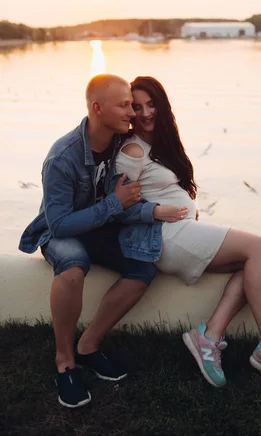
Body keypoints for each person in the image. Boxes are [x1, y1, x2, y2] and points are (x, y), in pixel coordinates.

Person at [115, 76, 261, 389]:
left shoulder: (160, 145)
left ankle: (209, 337)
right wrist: (156, 211)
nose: (146, 112)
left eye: (151, 104)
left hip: (181, 231)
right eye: (137, 107)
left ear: (162, 105)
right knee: (258, 247)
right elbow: (117, 207)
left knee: (259, 261)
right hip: (165, 237)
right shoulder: (134, 151)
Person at [18, 74, 186, 409]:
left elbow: (126, 203)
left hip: (98, 228)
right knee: (72, 268)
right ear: (97, 108)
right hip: (59, 231)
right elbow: (61, 224)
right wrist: (114, 204)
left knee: (142, 269)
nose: (133, 113)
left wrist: (154, 211)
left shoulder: (117, 146)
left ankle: (89, 346)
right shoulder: (62, 158)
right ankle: (65, 361)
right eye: (125, 105)